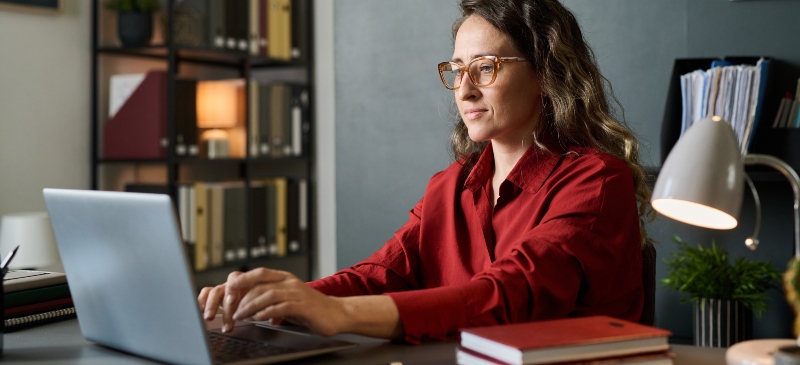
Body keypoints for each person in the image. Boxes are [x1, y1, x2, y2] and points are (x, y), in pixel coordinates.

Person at [198, 0, 654, 345]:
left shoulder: (597, 182)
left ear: (544, 75)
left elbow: (506, 297)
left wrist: (337, 314)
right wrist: (275, 301)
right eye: (457, 70)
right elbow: (379, 274)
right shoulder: (451, 185)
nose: (465, 89)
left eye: (485, 68)